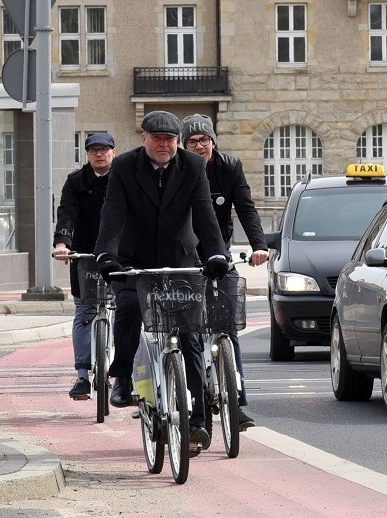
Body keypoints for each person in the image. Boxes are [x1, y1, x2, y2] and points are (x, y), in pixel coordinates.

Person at [94, 110, 229, 449]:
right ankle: (122, 376)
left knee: (191, 337)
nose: (165, 145)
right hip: (134, 260)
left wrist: (216, 254)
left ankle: (198, 419)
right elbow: (112, 214)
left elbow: (204, 215)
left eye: (170, 139)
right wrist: (105, 256)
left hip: (181, 258)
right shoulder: (124, 167)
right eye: (158, 138)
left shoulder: (194, 167)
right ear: (145, 139)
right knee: (127, 307)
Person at [181, 113, 269, 430]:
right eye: (192, 141)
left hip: (221, 257)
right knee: (181, 330)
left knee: (227, 327)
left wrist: (259, 245)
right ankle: (175, 394)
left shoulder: (229, 167)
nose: (200, 145)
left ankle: (237, 404)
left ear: (213, 142)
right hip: (185, 256)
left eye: (205, 140)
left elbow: (245, 207)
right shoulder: (176, 170)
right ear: (184, 145)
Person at [52, 133, 116, 400]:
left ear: (113, 152)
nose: (99, 154)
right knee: (84, 310)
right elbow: (66, 211)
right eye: (93, 150)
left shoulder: (123, 178)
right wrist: (63, 244)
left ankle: (121, 373)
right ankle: (81, 376)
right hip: (85, 254)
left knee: (126, 308)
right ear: (87, 154)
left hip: (118, 252)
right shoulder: (76, 181)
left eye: (104, 149)